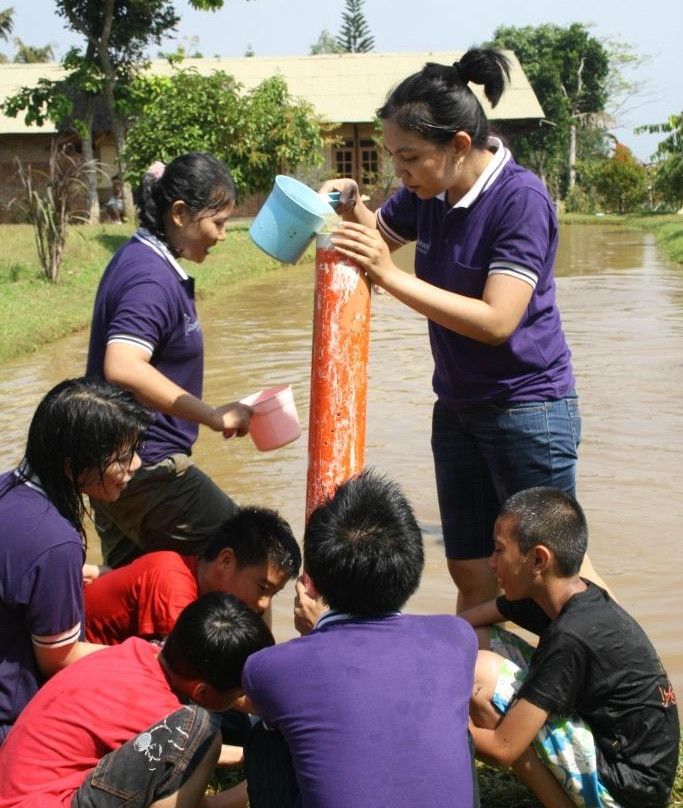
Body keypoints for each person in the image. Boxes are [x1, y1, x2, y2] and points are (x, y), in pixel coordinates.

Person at [320, 48, 582, 611]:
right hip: (459, 406)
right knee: (470, 567)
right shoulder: (430, 194)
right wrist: (351, 205)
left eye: (409, 157)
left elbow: (497, 320)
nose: (400, 172)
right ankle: (481, 690)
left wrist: (387, 277)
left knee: (552, 576)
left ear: (460, 145)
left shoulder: (521, 201)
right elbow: (379, 238)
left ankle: (627, 691)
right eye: (393, 156)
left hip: (527, 408)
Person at [242, 469, 479, 808]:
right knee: (457, 731)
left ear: (316, 579)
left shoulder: (269, 667)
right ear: (413, 565)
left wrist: (319, 632)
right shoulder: (456, 639)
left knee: (267, 738)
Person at [86, 152, 253, 568]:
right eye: (218, 223)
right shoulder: (151, 278)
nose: (222, 236)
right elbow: (123, 365)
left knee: (137, 593)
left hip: (109, 467)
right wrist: (212, 416)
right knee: (250, 552)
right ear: (179, 213)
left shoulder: (140, 257)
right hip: (143, 468)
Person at [465, 487, 679, 808]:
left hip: (630, 791)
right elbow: (461, 625)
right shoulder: (564, 594)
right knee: (476, 639)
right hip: (623, 752)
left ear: (538, 558)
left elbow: (502, 748)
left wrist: (431, 726)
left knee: (481, 675)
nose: (492, 564)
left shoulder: (571, 636)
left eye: (498, 551)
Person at [0, 592, 274, 808]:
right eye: (240, 692)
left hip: (20, 792)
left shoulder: (137, 653)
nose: (244, 698)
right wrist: (257, 783)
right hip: (45, 801)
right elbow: (202, 803)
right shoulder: (163, 715)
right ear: (202, 691)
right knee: (204, 732)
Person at [0, 376, 151, 744]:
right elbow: (59, 658)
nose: (136, 465)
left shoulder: (8, 487)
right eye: (121, 457)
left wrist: (70, 573)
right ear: (72, 467)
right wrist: (146, 655)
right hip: (14, 727)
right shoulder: (55, 542)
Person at [85, 506, 301, 645]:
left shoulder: (198, 582)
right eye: (262, 588)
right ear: (226, 560)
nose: (264, 604)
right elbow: (195, 672)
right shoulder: (173, 584)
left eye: (274, 593)